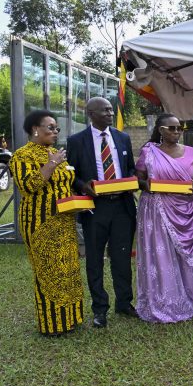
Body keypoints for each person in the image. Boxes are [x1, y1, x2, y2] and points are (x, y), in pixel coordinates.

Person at [135, 113, 193, 322]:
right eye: (172, 128)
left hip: (190, 208)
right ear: (161, 130)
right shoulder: (149, 152)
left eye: (179, 128)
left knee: (190, 255)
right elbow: (139, 178)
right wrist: (145, 184)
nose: (177, 132)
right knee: (163, 254)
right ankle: (168, 300)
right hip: (158, 209)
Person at [9, 110, 85, 336]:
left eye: (57, 129)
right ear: (35, 129)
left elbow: (65, 183)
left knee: (67, 268)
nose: (55, 132)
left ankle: (71, 319)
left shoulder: (55, 153)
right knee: (48, 271)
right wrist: (50, 165)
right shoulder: (22, 155)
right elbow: (28, 186)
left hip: (64, 221)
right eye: (50, 127)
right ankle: (52, 325)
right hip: (40, 222)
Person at [66, 97, 137, 328]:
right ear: (90, 113)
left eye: (110, 109)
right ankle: (99, 308)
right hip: (94, 208)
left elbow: (130, 169)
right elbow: (70, 174)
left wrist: (134, 179)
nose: (109, 113)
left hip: (122, 207)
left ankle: (124, 303)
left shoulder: (122, 137)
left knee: (122, 257)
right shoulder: (76, 141)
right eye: (104, 110)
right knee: (95, 259)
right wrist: (82, 185)